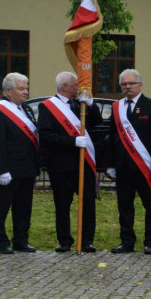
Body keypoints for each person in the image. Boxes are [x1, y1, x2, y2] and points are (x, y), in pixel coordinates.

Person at [38, 71, 102, 253]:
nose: (79, 88)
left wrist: (91, 105)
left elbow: (97, 122)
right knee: (62, 204)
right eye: (76, 84)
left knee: (88, 202)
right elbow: (46, 134)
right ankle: (65, 241)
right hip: (60, 164)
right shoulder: (48, 107)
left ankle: (87, 240)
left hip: (84, 162)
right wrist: (72, 142)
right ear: (65, 86)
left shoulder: (79, 105)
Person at [106, 69, 151, 254]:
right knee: (124, 205)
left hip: (145, 166)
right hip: (123, 166)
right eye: (124, 84)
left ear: (140, 84)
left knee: (150, 205)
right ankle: (127, 242)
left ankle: (150, 242)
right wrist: (110, 164)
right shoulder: (117, 107)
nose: (127, 87)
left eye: (131, 83)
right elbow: (112, 137)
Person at [0, 72, 40, 254]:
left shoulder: (26, 109)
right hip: (8, 170)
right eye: (21, 88)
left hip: (26, 168)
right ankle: (0, 242)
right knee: (1, 207)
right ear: (8, 90)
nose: (26, 92)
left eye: (27, 88)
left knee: (24, 207)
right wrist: (1, 170)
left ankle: (21, 240)